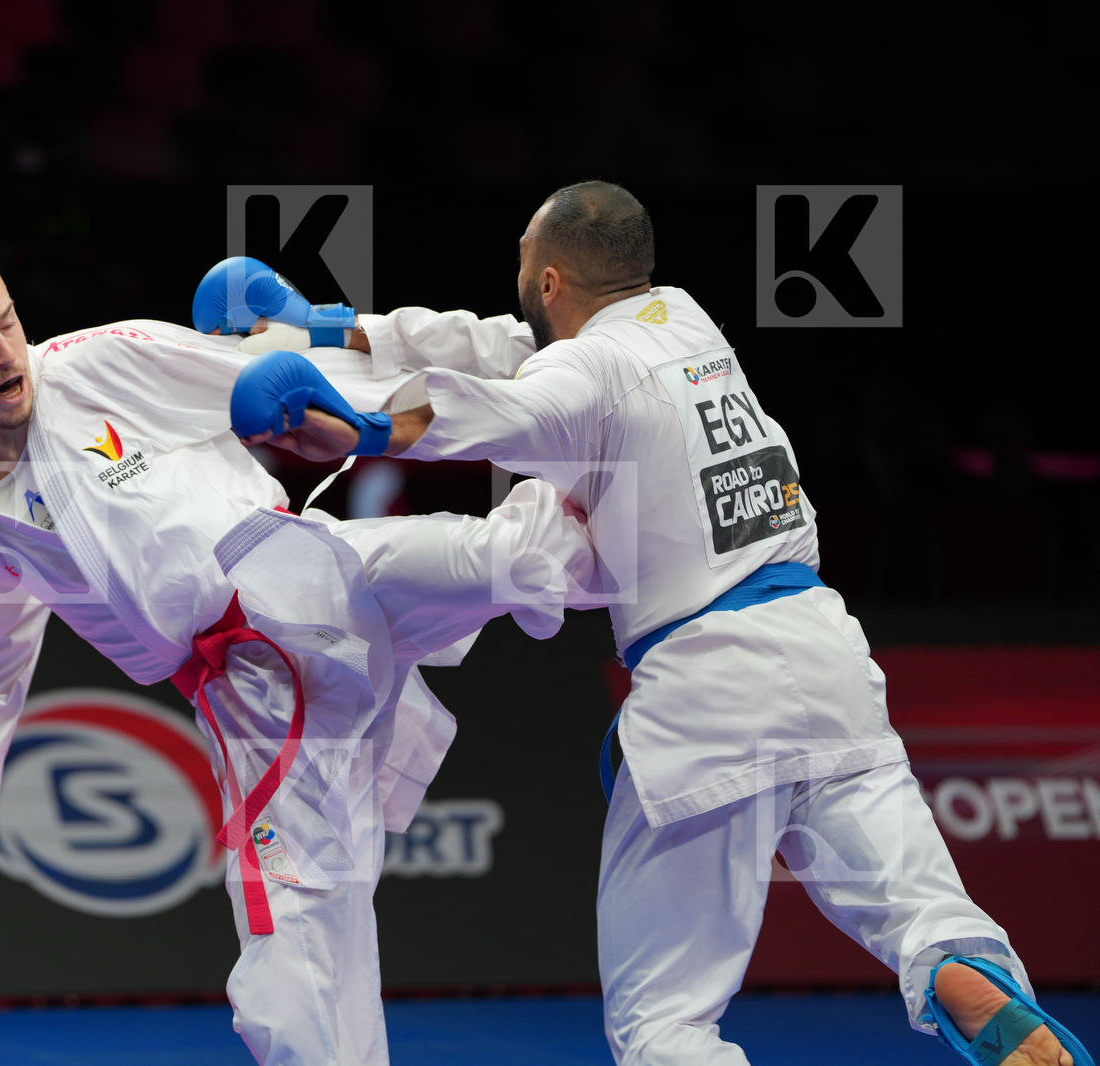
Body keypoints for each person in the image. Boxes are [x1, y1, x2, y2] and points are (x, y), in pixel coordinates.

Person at [228, 182, 1088, 1066]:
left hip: (709, 691)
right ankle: (962, 970)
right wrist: (329, 328)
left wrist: (359, 426)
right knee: (923, 918)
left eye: (523, 258)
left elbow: (494, 406)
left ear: (550, 278)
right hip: (828, 660)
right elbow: (495, 347)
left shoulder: (585, 373)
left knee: (662, 1024)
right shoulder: (684, 319)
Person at [0, 244, 594, 1066]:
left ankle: (606, 393)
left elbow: (278, 369)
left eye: (7, 322)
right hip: (250, 689)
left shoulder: (96, 364)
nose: (6, 352)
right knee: (300, 928)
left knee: (517, 557)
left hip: (311, 567)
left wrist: (505, 364)